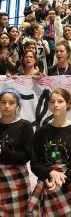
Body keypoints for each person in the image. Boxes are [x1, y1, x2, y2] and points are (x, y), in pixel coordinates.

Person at [29, 88, 71, 216]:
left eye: (60, 101)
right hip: (47, 183)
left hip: (68, 184)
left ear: (68, 104)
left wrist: (62, 181)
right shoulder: (41, 132)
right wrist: (50, 173)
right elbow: (34, 163)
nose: (55, 105)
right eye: (52, 101)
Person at [0, 88, 34, 216]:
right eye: (3, 102)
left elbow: (26, 156)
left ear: (17, 105)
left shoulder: (25, 125)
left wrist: (3, 152)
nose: (7, 106)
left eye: (11, 103)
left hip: (17, 182)